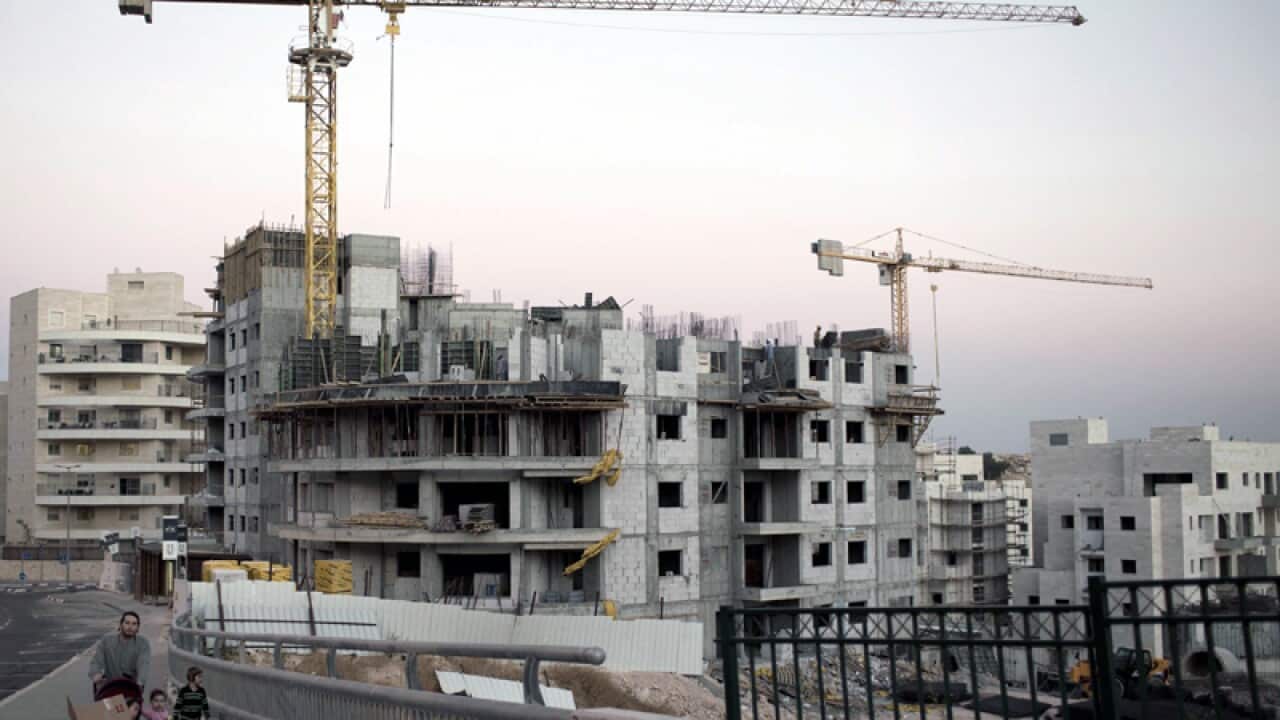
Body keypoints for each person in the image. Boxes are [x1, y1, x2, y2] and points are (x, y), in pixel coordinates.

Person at [89, 611, 151, 695]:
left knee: (132, 704)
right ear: (120, 624)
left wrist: (140, 682)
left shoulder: (143, 643)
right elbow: (96, 660)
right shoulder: (107, 640)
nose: (130, 627)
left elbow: (144, 663)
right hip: (110, 684)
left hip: (131, 685)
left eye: (134, 624)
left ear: (138, 627)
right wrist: (96, 673)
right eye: (127, 623)